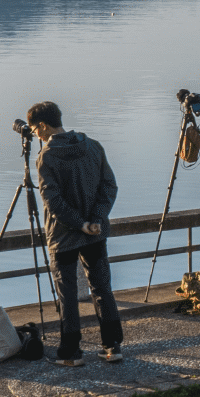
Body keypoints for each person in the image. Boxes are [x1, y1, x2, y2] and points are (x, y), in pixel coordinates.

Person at [27, 101, 124, 367]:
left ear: (44, 126)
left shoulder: (46, 156)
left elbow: (52, 201)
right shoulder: (93, 145)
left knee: (67, 294)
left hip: (63, 236)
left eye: (36, 129)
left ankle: (71, 353)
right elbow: (109, 186)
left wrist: (79, 223)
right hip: (95, 232)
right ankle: (112, 346)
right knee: (102, 287)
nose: (35, 134)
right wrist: (95, 220)